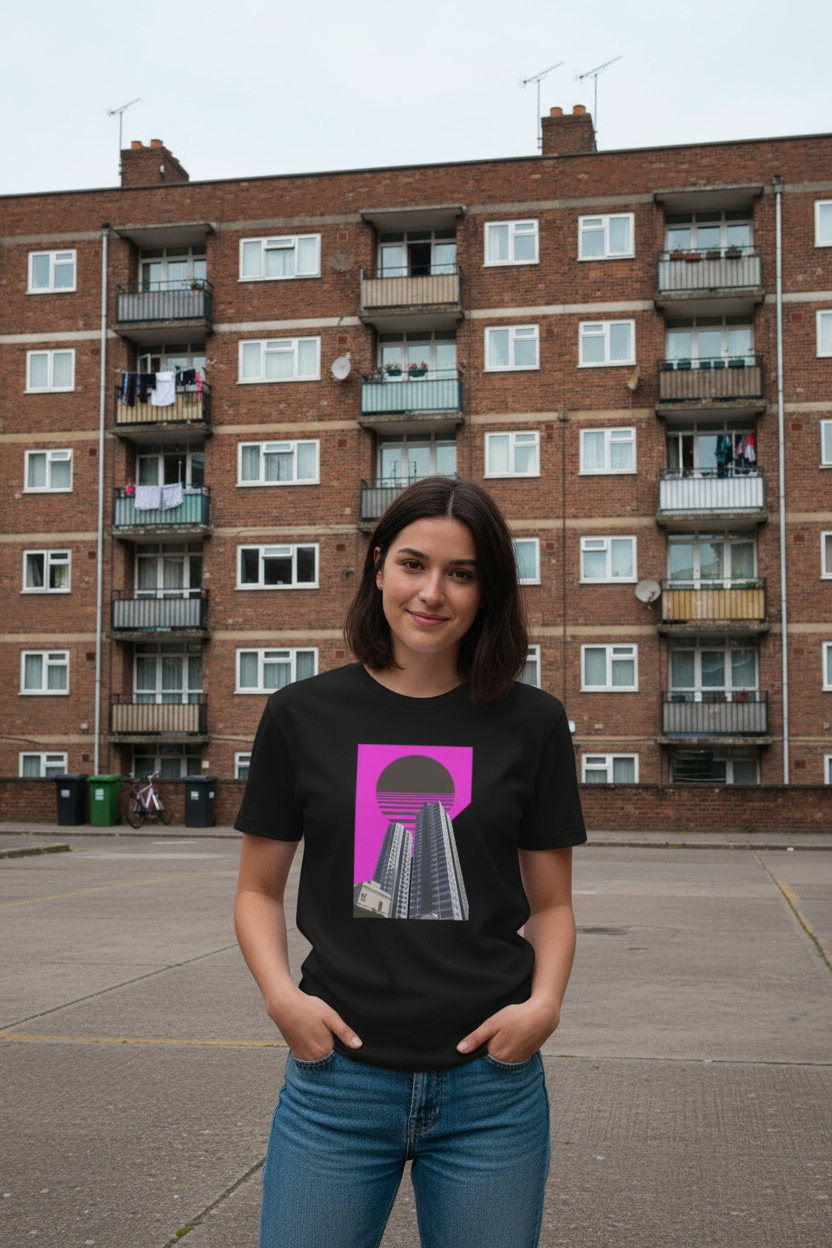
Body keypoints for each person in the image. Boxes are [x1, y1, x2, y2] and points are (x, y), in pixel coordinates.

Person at [234, 476, 586, 1248]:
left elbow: (552, 905)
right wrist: (281, 998)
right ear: (378, 566)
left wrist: (545, 1006)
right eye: (413, 564)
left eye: (461, 573)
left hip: (490, 1092)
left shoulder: (533, 723)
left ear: (489, 589)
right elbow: (258, 890)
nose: (432, 593)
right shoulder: (300, 714)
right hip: (336, 1085)